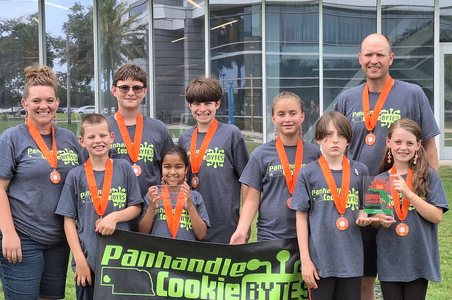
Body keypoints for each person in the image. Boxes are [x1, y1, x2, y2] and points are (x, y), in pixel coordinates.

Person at [334, 33, 440, 300]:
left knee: (401, 276)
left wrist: (428, 188)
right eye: (368, 55)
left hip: (402, 198)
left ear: (391, 58)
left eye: (380, 55)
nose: (374, 60)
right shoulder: (348, 98)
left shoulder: (412, 94)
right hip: (359, 200)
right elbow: (335, 146)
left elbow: (429, 144)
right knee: (365, 279)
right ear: (360, 58)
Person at [0, 64, 82, 300]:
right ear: (24, 103)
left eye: (49, 100)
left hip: (57, 238)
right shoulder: (11, 139)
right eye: (37, 101)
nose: (44, 106)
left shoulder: (68, 139)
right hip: (22, 235)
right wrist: (9, 234)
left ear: (58, 103)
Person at [55, 114, 143, 300]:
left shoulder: (123, 169)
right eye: (91, 136)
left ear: (112, 137)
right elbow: (68, 220)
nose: (98, 140)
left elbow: (136, 207)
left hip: (121, 260)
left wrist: (114, 217)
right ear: (81, 141)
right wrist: (79, 260)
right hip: (89, 260)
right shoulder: (76, 176)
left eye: (103, 135)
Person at [292, 112, 373, 300]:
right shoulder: (308, 173)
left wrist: (366, 214)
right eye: (328, 135)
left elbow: (371, 209)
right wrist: (306, 261)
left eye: (340, 135)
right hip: (319, 264)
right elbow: (301, 217)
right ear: (318, 139)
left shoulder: (361, 171)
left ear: (349, 140)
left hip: (351, 262)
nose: (334, 140)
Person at [371, 119, 448, 300]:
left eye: (409, 143)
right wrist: (378, 219)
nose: (403, 147)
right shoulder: (378, 181)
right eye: (397, 142)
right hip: (390, 256)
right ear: (388, 142)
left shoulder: (429, 176)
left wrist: (408, 193)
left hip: (417, 255)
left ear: (418, 146)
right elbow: (374, 220)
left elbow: (437, 216)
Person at [230, 92, 322, 244]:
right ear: (273, 119)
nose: (287, 119)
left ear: (302, 117)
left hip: (308, 236)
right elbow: (251, 200)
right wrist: (242, 229)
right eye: (281, 114)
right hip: (270, 237)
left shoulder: (314, 154)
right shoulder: (261, 155)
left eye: (293, 113)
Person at [177, 77, 249, 243]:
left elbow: (247, 183)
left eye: (207, 103)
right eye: (196, 104)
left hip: (225, 226)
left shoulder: (231, 134)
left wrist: (244, 225)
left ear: (217, 104)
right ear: (190, 106)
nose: (202, 109)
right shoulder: (184, 138)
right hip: (192, 223)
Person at [107, 64, 174, 208]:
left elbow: (170, 170)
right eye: (124, 88)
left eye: (136, 88)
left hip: (153, 210)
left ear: (144, 92)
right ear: (114, 90)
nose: (130, 93)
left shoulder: (159, 129)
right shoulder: (101, 128)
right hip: (113, 211)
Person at [138, 146, 210, 241]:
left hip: (185, 253)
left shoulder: (195, 197)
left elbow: (201, 234)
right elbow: (142, 232)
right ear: (161, 168)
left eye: (178, 167)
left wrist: (190, 206)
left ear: (186, 169)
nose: (172, 172)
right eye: (167, 167)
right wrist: (151, 207)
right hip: (158, 253)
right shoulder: (153, 195)